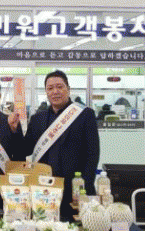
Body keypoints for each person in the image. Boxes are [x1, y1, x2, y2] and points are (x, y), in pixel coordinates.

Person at [12, 69, 100, 221]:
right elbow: (25, 149)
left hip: (73, 186)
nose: (55, 92)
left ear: (68, 89)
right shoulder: (37, 118)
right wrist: (15, 130)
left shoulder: (85, 114)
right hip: (44, 188)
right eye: (50, 88)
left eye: (60, 87)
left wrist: (84, 186)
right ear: (46, 92)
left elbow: (92, 153)